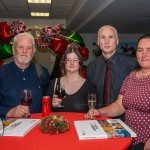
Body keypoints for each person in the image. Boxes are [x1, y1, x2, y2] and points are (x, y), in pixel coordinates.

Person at [85, 34, 150, 150]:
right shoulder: (131, 76)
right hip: (127, 138)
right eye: (140, 50)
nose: (144, 54)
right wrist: (99, 111)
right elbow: (119, 105)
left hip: (145, 143)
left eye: (149, 50)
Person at [0, 32, 50, 118]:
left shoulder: (41, 71)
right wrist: (9, 112)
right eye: (20, 47)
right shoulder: (2, 72)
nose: (24, 51)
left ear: (33, 51)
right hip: (11, 127)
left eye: (28, 48)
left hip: (37, 126)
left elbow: (47, 97)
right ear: (13, 49)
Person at [87, 25, 137, 109]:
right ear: (98, 42)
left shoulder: (131, 65)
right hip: (97, 118)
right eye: (103, 37)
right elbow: (88, 94)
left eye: (111, 37)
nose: (107, 41)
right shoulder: (91, 66)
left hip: (123, 120)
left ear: (117, 41)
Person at [48, 44, 97, 112]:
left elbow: (92, 113)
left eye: (75, 60)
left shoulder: (90, 86)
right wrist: (52, 105)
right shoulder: (54, 83)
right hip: (59, 122)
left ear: (80, 63)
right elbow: (46, 111)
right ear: (64, 63)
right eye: (68, 60)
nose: (72, 63)